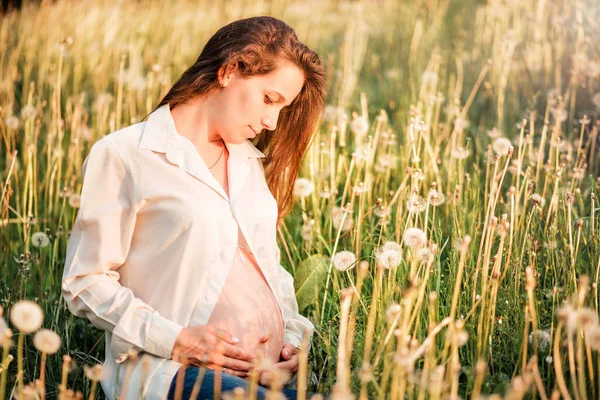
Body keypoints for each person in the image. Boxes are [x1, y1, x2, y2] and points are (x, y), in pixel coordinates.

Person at [62, 16, 327, 400]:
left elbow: (268, 269)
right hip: (169, 372)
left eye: (282, 108)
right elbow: (84, 283)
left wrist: (290, 341)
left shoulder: (247, 162)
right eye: (269, 99)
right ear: (230, 70)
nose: (272, 120)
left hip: (267, 378)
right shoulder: (126, 154)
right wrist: (177, 341)